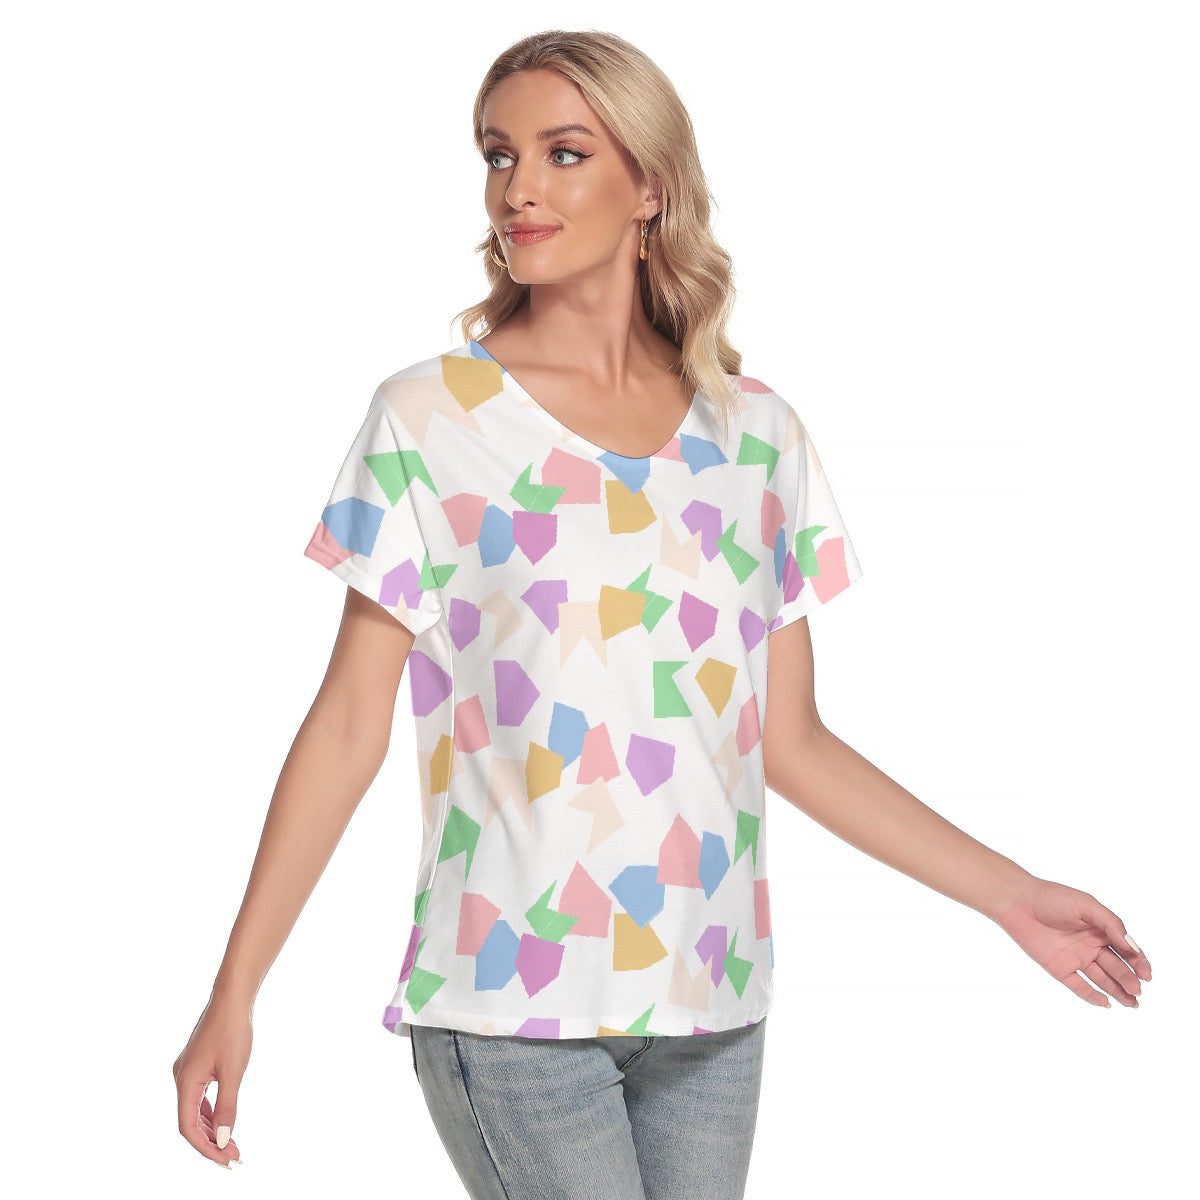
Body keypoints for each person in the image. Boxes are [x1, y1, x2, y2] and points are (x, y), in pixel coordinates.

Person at [172, 29, 1153, 1199]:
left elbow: (792, 743)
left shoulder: (756, 436)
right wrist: (235, 991)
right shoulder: (428, 421)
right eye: (498, 154)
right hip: (511, 1007)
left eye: (564, 153)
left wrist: (1012, 896)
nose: (518, 188)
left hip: (714, 1002)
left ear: (650, 187)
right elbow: (347, 725)